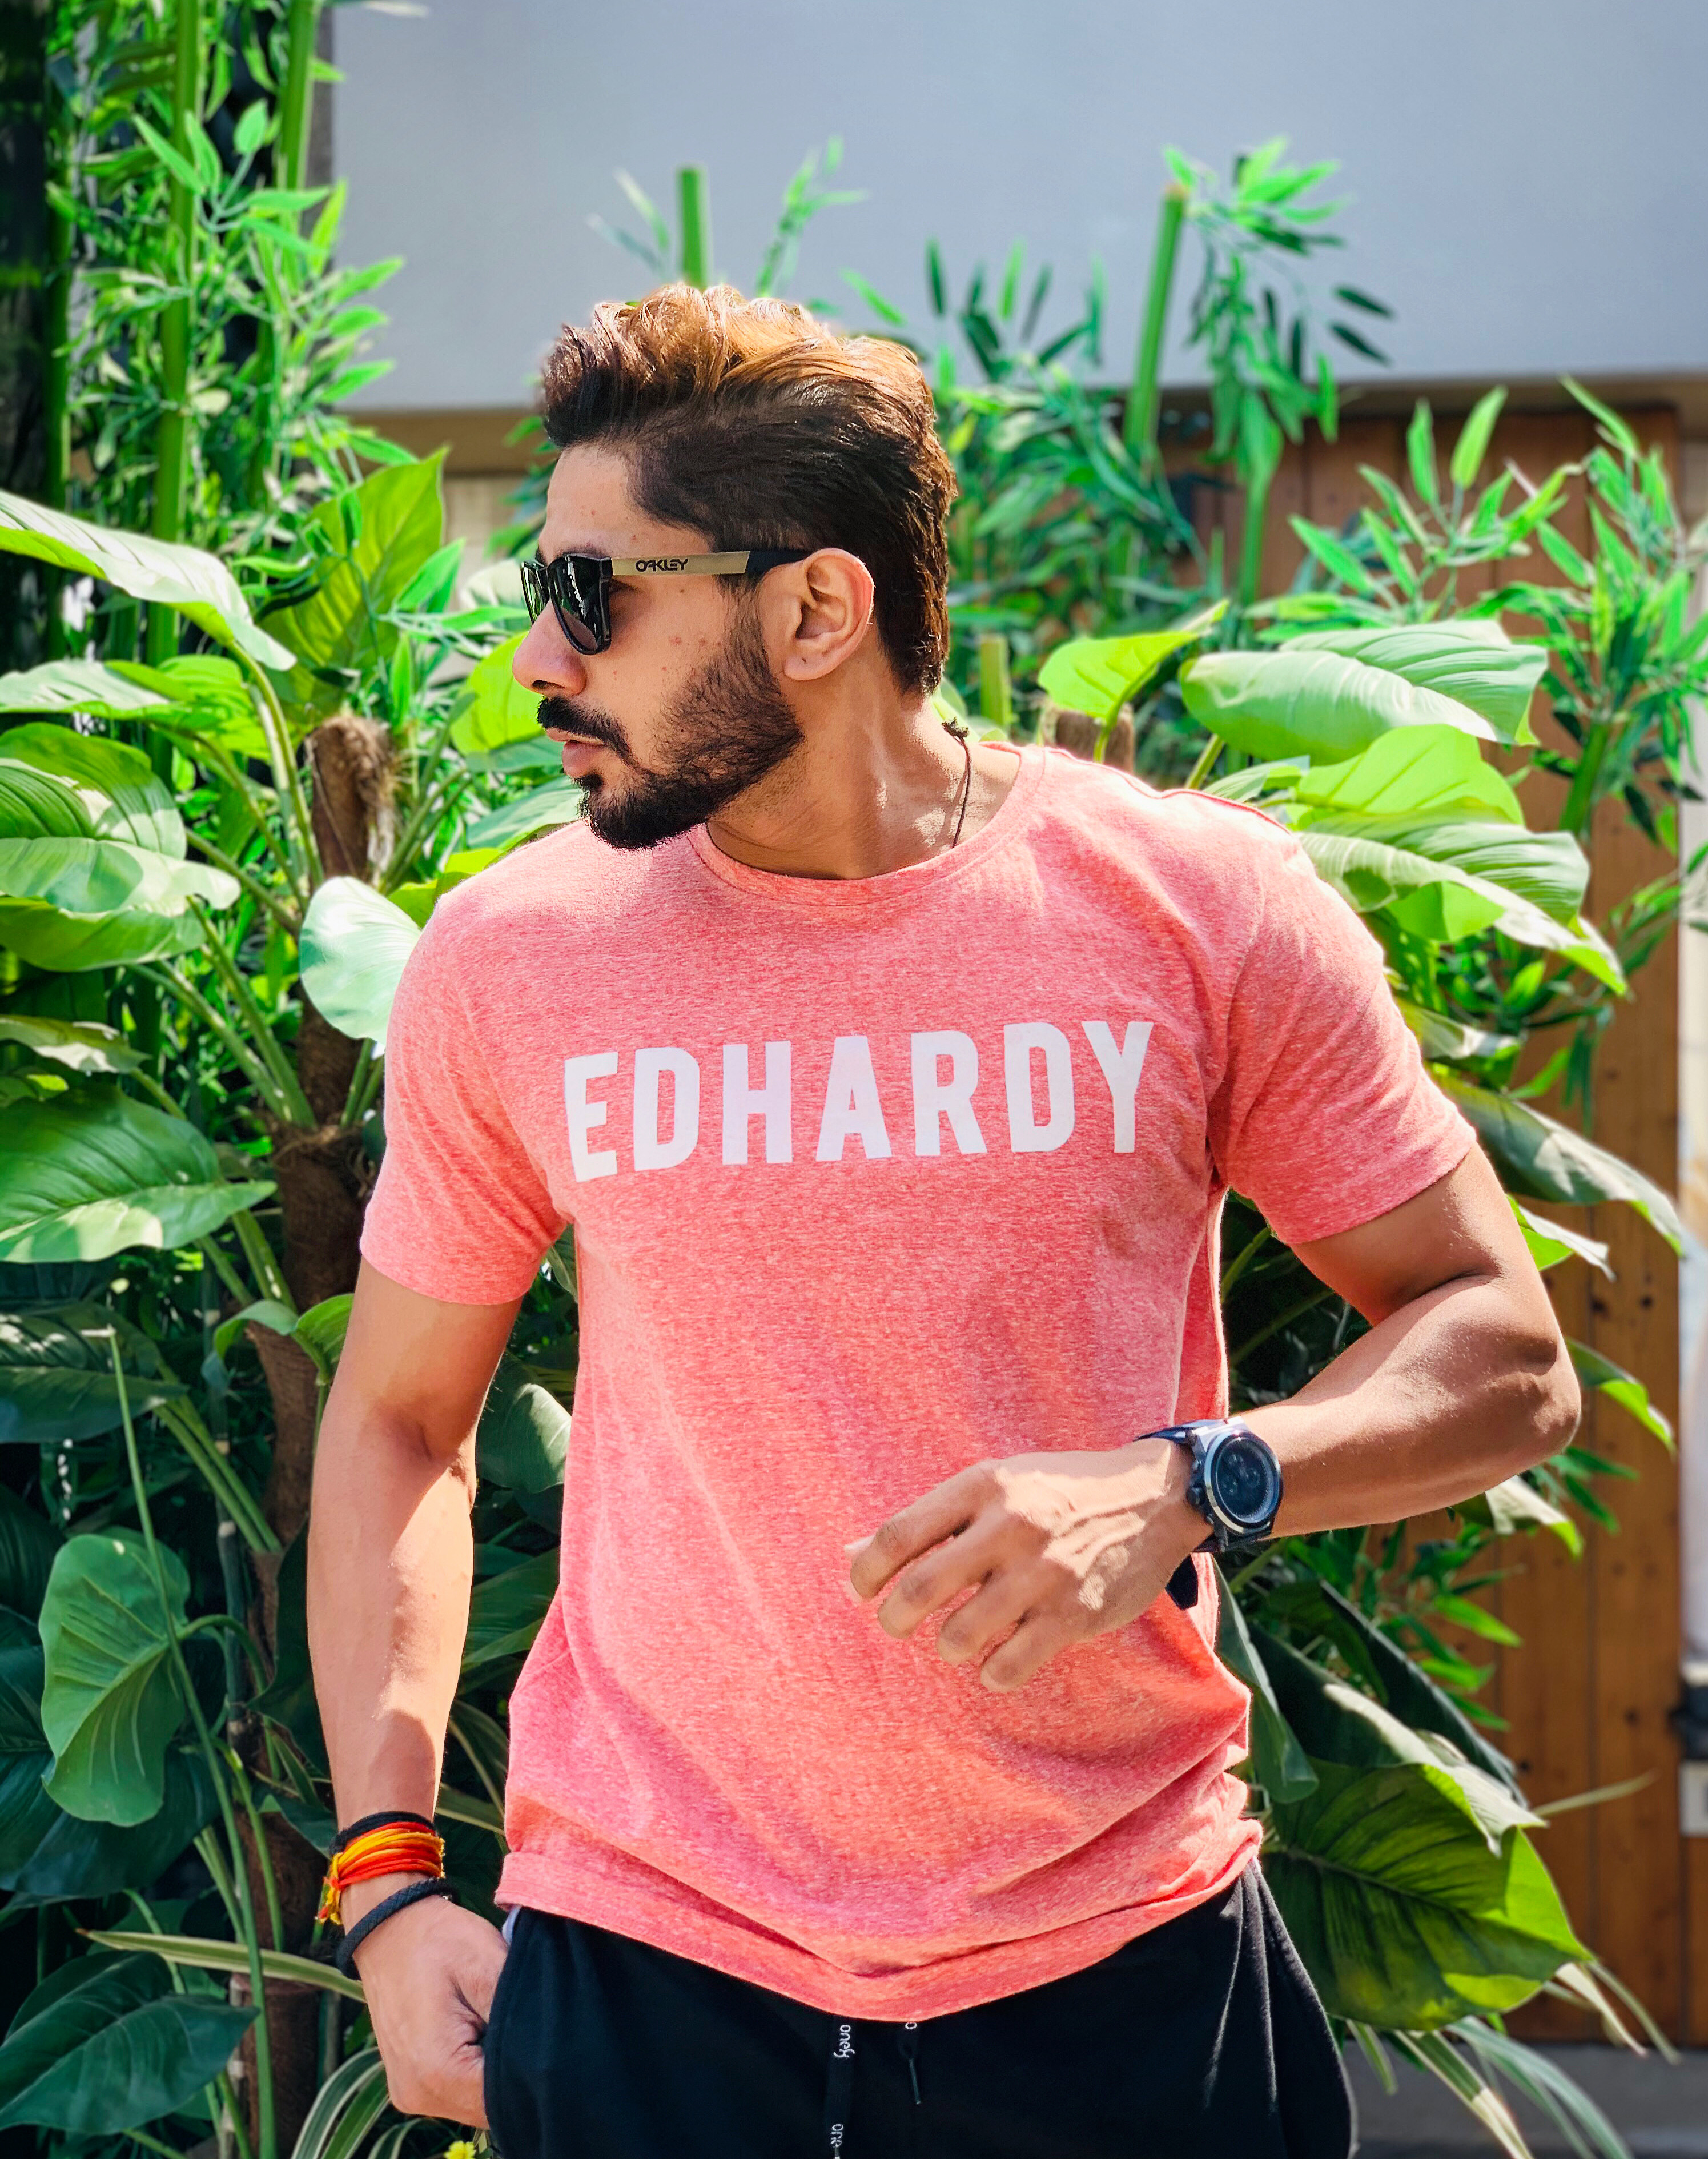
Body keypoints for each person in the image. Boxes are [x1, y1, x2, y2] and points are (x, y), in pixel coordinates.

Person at [307, 284, 1580, 2159]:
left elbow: (1505, 1349)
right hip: (653, 1983)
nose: (535, 660)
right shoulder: (513, 960)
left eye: (592, 594)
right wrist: (391, 1880)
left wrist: (1193, 1479)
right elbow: (402, 1420)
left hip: (1127, 1986)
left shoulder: (1200, 909)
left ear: (818, 610)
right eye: (539, 588)